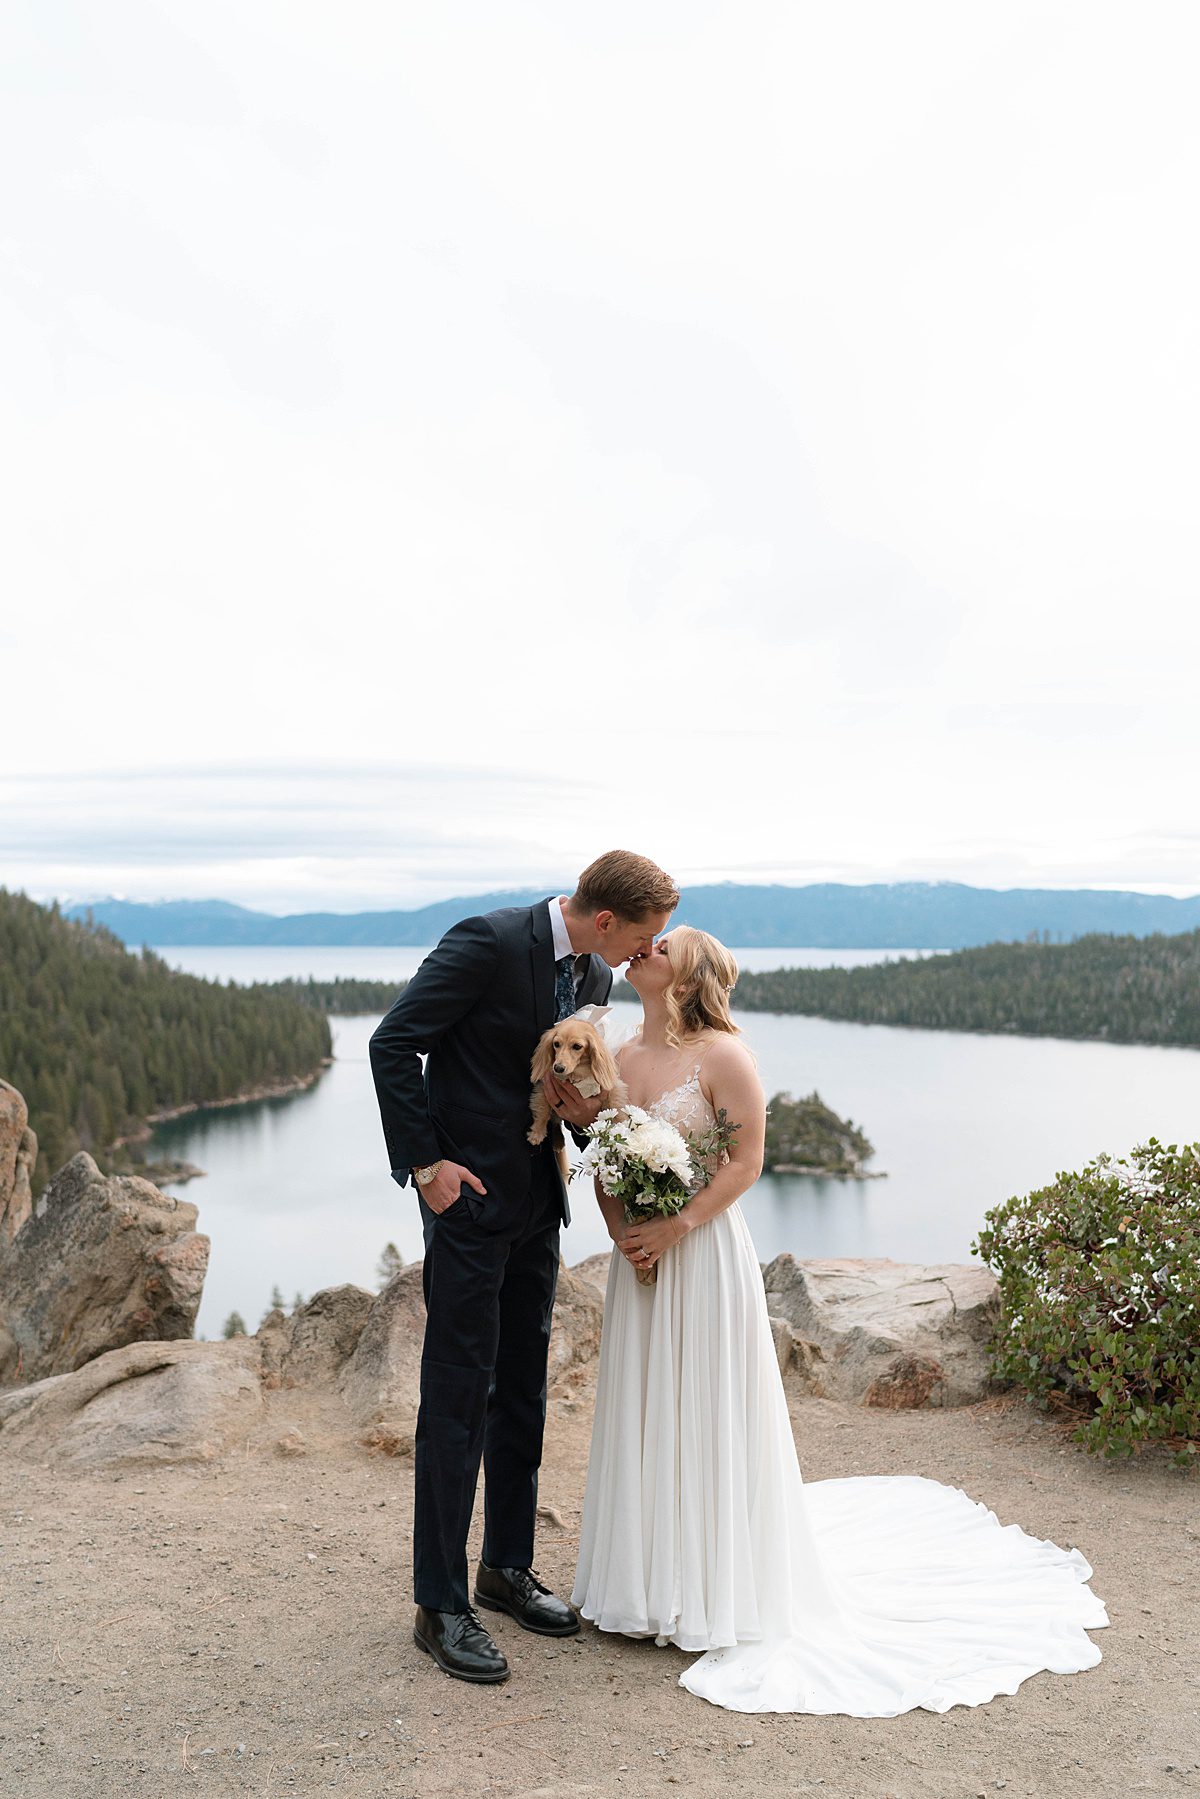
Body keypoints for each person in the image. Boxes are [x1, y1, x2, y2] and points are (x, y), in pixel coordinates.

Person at [572, 925, 1109, 1715]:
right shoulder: (618, 1053)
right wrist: (626, 1234)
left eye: (664, 944)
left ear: (687, 977)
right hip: (640, 1260)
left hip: (702, 1254)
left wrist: (676, 1226)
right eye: (645, 940)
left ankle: (713, 1586)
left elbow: (747, 1163)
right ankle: (641, 1583)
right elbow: (605, 1156)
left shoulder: (724, 1057)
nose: (644, 946)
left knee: (707, 1408)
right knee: (645, 1407)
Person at [369, 850, 678, 1684]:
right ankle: (438, 1604)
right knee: (457, 1396)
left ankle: (505, 1567)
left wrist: (588, 1122)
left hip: (540, 1207)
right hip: (468, 1208)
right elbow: (394, 1042)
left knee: (522, 1393)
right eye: (642, 936)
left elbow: (561, 1088)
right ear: (604, 919)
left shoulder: (594, 975)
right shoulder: (487, 942)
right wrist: (426, 1167)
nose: (643, 953)